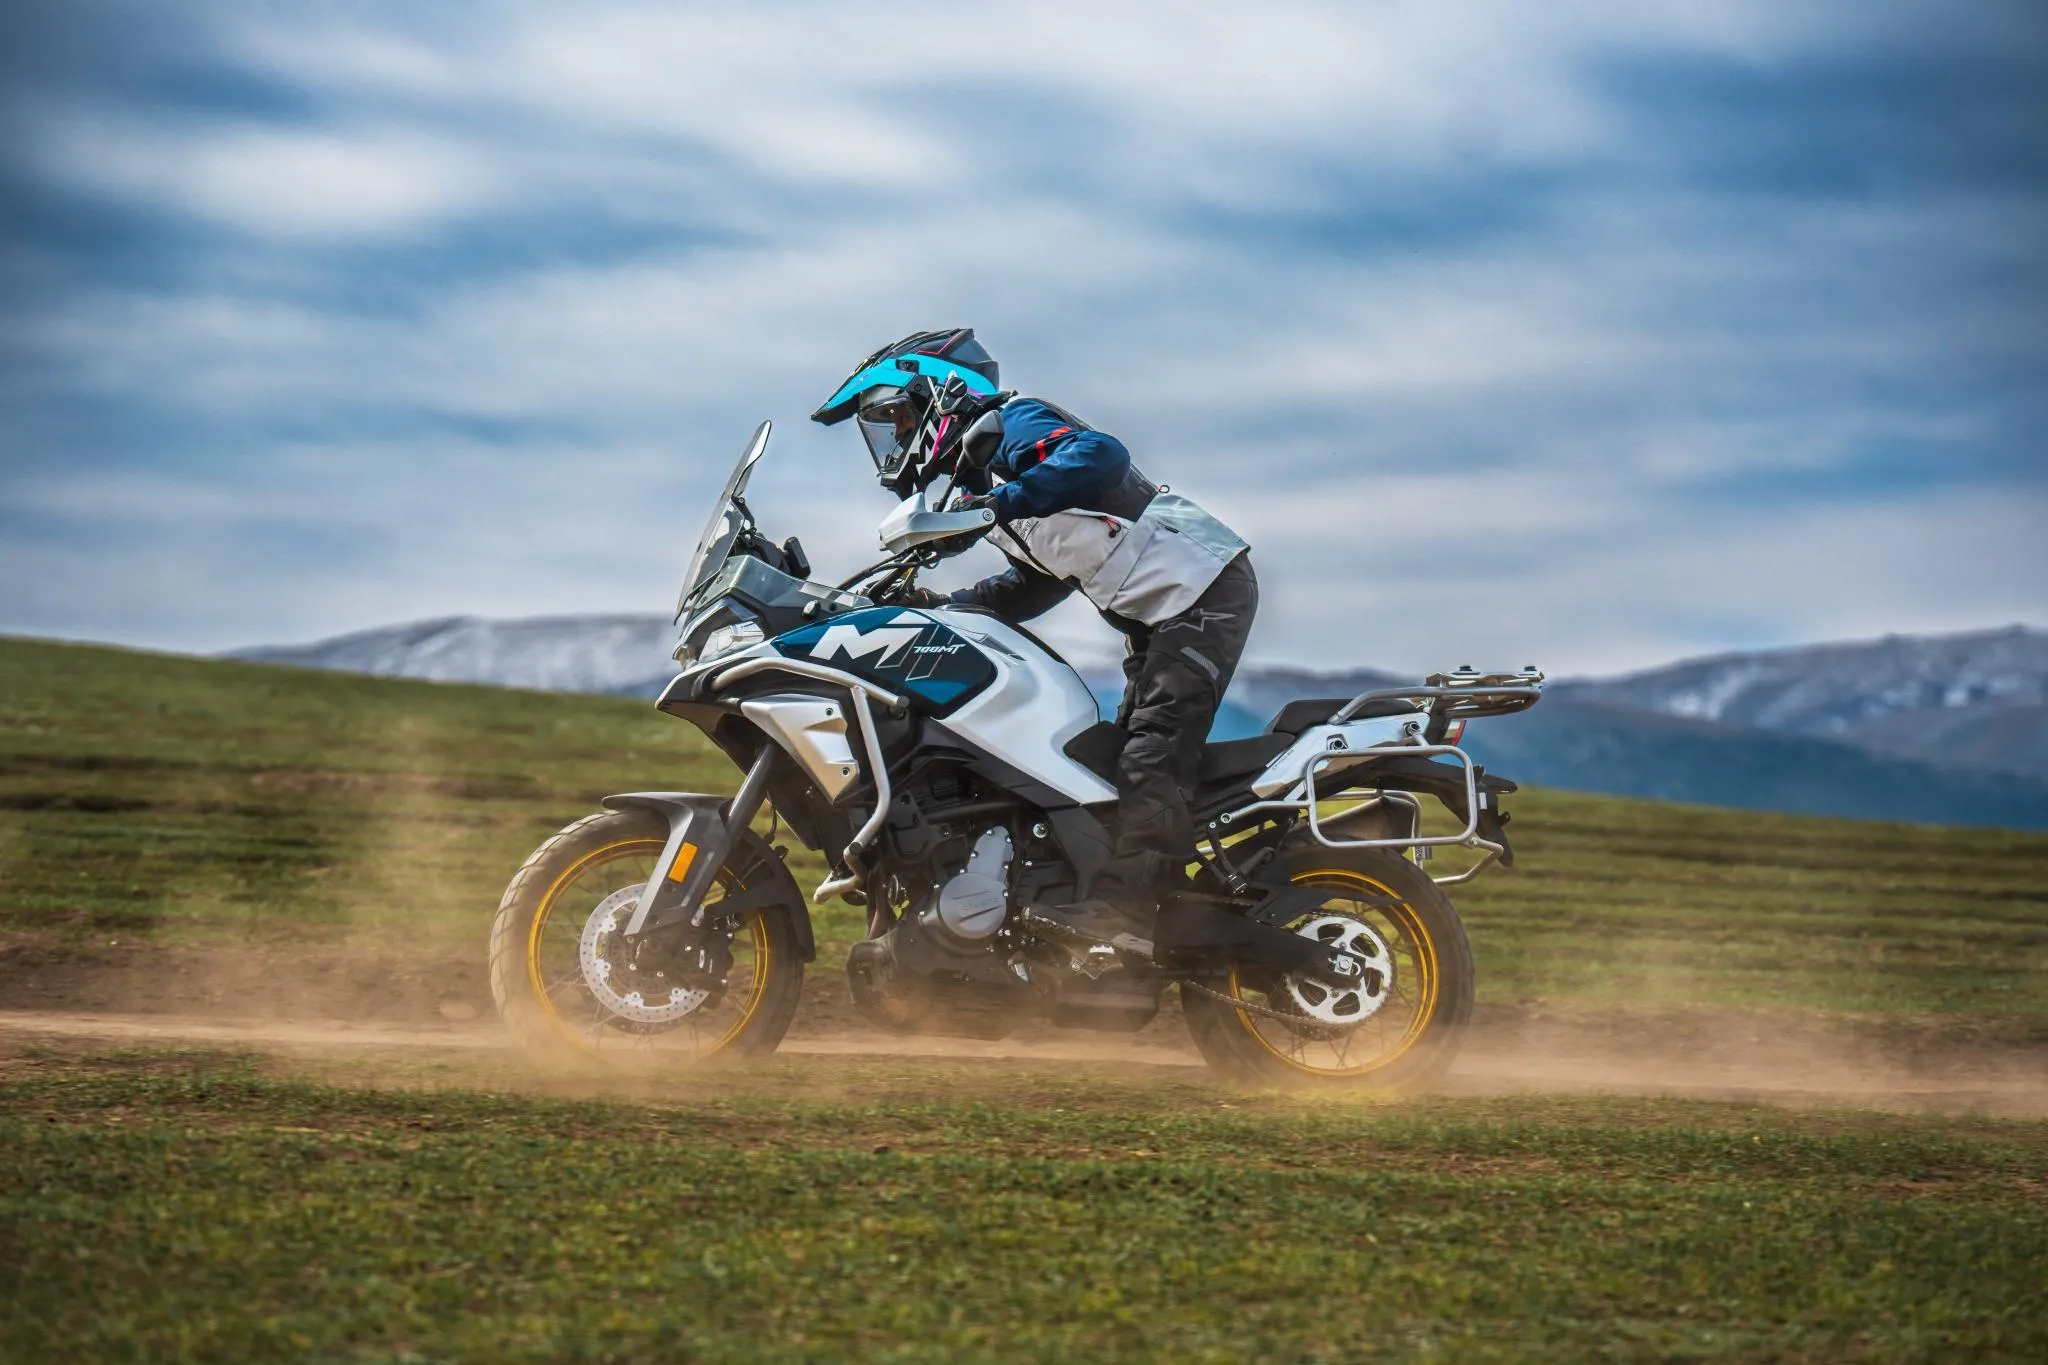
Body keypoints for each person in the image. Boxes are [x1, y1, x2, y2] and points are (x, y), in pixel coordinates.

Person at [811, 328, 1257, 944]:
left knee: (1152, 757)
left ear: (938, 393)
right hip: (1158, 617)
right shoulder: (980, 483)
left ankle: (1131, 921)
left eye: (899, 418)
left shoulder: (1010, 423)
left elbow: (1101, 455)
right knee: (1109, 761)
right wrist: (949, 607)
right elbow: (1037, 584)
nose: (894, 437)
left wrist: (1000, 504)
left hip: (1204, 590)